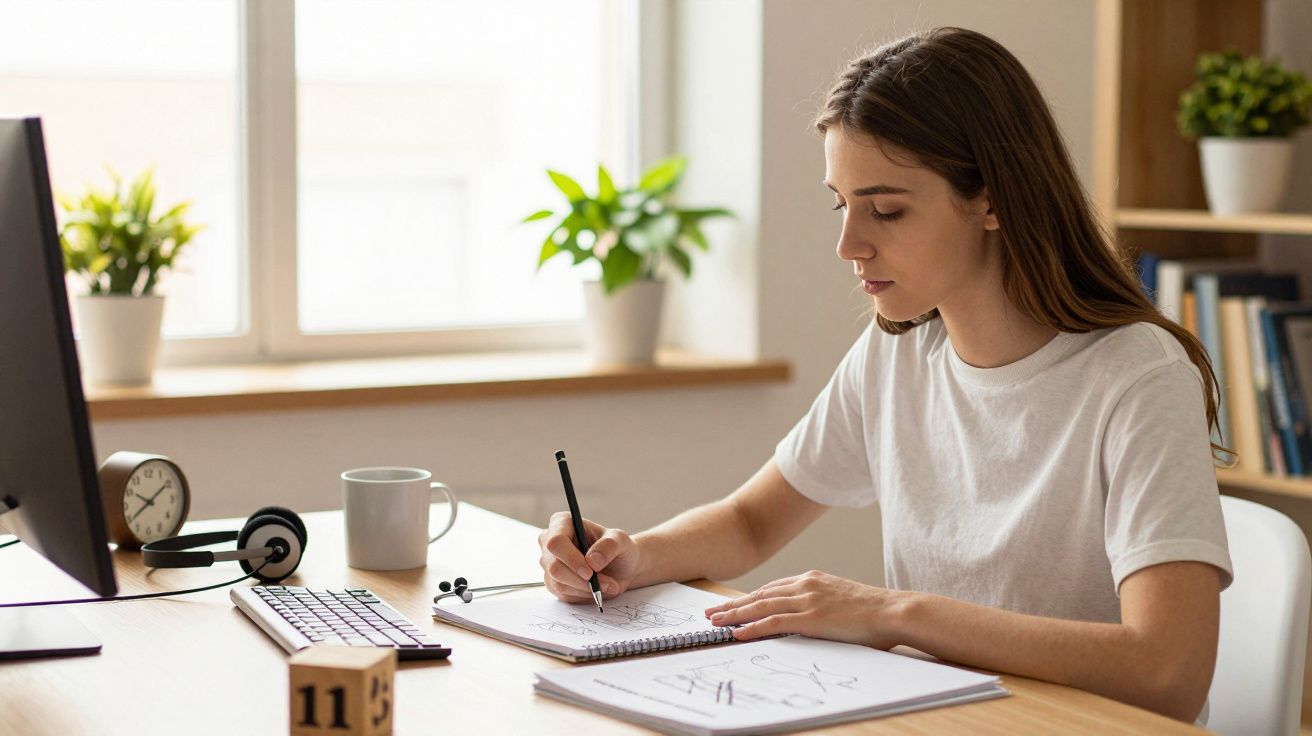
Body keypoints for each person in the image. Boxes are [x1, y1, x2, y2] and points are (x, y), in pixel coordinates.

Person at [537, 27, 1232, 724]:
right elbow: (751, 522)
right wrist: (628, 554)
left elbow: (1168, 672)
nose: (848, 244)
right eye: (841, 204)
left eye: (887, 209)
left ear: (992, 199)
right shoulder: (900, 351)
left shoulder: (1137, 376)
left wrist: (893, 612)